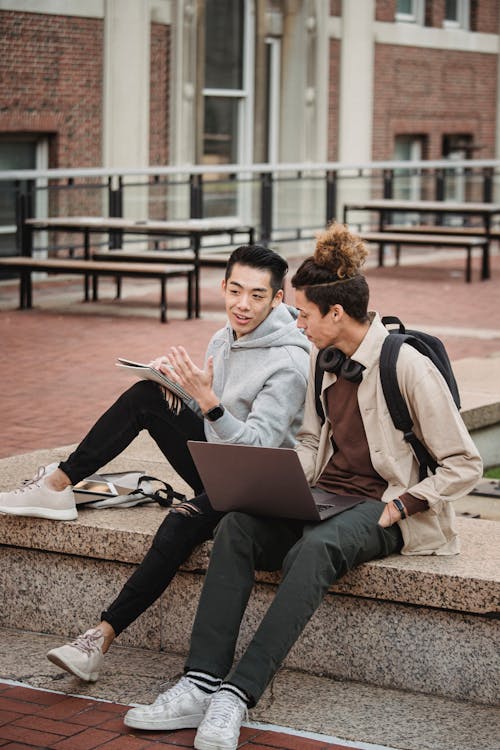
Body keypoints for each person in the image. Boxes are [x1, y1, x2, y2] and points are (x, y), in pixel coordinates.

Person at [122, 223, 483, 750]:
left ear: (335, 314)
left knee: (317, 550)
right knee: (238, 526)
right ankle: (200, 682)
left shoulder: (406, 365)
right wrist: (276, 480)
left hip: (384, 506)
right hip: (325, 493)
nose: (295, 320)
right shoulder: (321, 357)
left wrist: (404, 503)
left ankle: (237, 696)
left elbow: (464, 462)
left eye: (304, 313)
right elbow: (313, 440)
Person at [0, 244, 310, 682]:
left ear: (278, 299)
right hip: (217, 460)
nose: (243, 304)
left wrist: (208, 403)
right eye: (235, 290)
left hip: (254, 486)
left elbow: (256, 447)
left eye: (257, 296)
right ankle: (57, 484)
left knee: (179, 523)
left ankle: (98, 638)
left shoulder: (288, 362)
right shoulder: (226, 337)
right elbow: (209, 415)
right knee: (147, 396)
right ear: (222, 286)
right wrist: (176, 387)